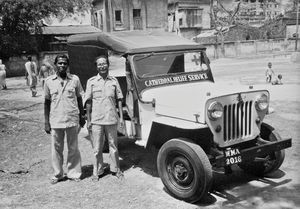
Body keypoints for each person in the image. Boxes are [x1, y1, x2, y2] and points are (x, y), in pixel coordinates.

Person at [44, 54, 85, 184]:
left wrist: (82, 115)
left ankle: (74, 173)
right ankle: (58, 174)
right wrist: (46, 121)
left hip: (72, 118)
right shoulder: (48, 81)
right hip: (56, 120)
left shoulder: (75, 79)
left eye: (65, 63)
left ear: (68, 65)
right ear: (55, 64)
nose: (62, 65)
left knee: (73, 147)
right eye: (60, 63)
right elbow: (46, 102)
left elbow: (79, 98)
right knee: (56, 149)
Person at [85, 55, 124, 180]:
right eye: (99, 64)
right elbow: (88, 102)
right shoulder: (91, 82)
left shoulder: (114, 81)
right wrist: (89, 119)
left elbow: (119, 100)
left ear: (108, 65)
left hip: (111, 118)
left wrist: (121, 117)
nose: (102, 66)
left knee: (113, 146)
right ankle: (97, 171)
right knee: (97, 148)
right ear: (96, 67)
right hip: (96, 119)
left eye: (104, 64)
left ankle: (116, 169)